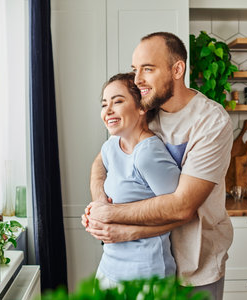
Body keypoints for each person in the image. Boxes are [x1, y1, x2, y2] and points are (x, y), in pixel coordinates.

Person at [82, 32, 233, 300]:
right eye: (135, 69)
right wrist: (99, 207)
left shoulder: (211, 122)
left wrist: (115, 220)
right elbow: (102, 161)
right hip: (143, 263)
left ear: (177, 69)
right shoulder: (146, 111)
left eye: (148, 69)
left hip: (194, 266)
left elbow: (182, 206)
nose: (138, 79)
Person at [90, 72, 181, 289]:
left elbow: (181, 212)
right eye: (104, 104)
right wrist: (99, 207)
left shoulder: (148, 153)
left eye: (118, 101)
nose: (108, 111)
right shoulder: (112, 145)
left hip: (146, 275)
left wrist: (126, 230)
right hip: (108, 270)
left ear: (142, 107)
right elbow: (98, 168)